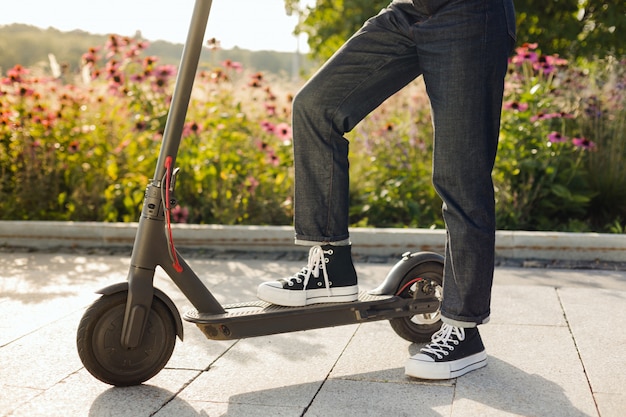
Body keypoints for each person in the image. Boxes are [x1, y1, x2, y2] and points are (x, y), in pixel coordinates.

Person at [257, 0, 516, 380]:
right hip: (411, 9)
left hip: (470, 13)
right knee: (316, 107)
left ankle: (464, 330)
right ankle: (333, 267)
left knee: (461, 174)